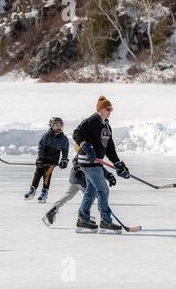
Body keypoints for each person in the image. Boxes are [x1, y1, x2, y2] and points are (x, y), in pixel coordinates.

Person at [73, 96, 130, 233]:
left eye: (111, 109)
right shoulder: (91, 121)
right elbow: (76, 133)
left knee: (91, 191)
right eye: (108, 109)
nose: (110, 111)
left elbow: (110, 148)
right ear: (100, 109)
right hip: (88, 161)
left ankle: (83, 218)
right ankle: (105, 220)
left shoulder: (106, 126)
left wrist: (118, 163)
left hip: (95, 162)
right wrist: (85, 146)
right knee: (103, 190)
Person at [42, 155, 116, 227]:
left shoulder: (95, 151)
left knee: (68, 195)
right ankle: (83, 217)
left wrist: (108, 175)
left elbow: (97, 167)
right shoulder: (88, 148)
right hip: (80, 178)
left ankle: (53, 209)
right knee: (90, 196)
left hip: (75, 179)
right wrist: (78, 168)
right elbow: (76, 160)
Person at [24, 117, 69, 203]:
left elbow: (65, 150)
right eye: (56, 124)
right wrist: (40, 158)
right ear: (51, 125)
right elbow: (41, 147)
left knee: (47, 174)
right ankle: (33, 189)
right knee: (38, 173)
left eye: (60, 124)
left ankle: (44, 192)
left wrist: (64, 159)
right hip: (43, 158)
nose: (58, 126)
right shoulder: (46, 136)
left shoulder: (63, 139)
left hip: (53, 160)